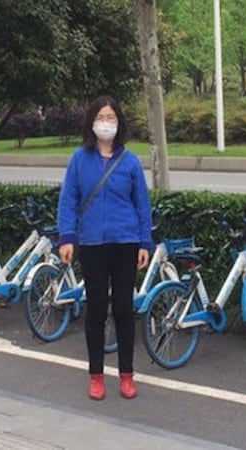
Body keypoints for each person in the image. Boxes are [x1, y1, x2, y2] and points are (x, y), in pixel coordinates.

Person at [57, 95, 152, 400]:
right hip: (93, 243)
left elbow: (142, 204)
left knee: (124, 309)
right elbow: (68, 199)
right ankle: (96, 376)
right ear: (91, 122)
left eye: (111, 117)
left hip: (125, 242)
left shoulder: (130, 161)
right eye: (101, 117)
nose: (106, 123)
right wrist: (67, 237)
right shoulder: (79, 159)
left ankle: (126, 375)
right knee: (96, 309)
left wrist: (144, 242)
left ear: (119, 123)